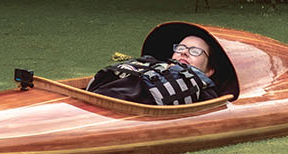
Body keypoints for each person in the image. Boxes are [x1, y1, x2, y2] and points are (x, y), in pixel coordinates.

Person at [86, 33, 221, 105]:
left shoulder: (203, 91)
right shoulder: (151, 65)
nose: (185, 52)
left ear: (209, 71)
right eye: (180, 48)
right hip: (92, 97)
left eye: (195, 51)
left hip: (120, 108)